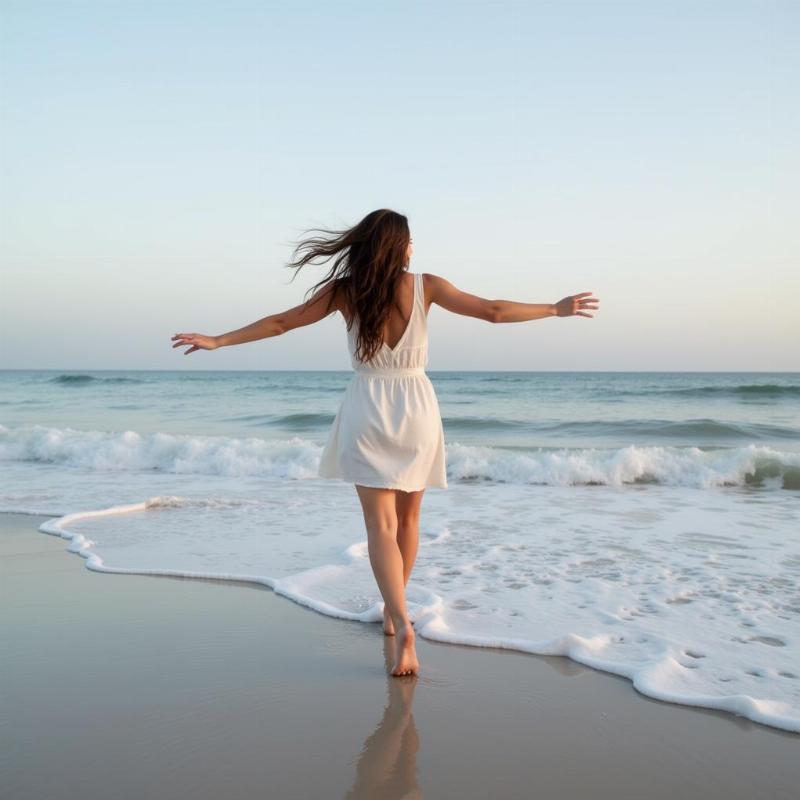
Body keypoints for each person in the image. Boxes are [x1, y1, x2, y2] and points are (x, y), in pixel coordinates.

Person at [171, 208, 600, 677]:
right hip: (416, 406)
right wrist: (554, 309)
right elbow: (494, 312)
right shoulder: (426, 285)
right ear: (403, 246)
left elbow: (282, 323)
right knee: (410, 518)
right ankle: (397, 617)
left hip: (367, 407)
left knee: (379, 526)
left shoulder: (345, 291)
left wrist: (218, 340)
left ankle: (397, 614)